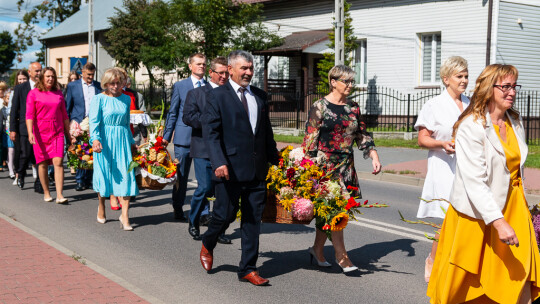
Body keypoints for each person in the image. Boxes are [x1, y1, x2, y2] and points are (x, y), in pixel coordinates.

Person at [427, 64, 540, 303]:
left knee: (518, 273)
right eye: (505, 87)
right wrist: (498, 222)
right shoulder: (471, 126)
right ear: (489, 89)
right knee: (467, 284)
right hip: (476, 215)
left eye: (514, 86)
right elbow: (474, 182)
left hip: (514, 206)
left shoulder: (513, 121)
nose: (512, 92)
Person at [200, 50, 279, 286]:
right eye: (243, 68)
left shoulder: (260, 96)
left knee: (253, 220)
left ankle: (247, 268)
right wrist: (219, 162)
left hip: (256, 169)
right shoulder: (217, 96)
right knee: (224, 215)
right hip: (229, 169)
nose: (248, 72)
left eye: (251, 68)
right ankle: (208, 242)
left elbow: (265, 132)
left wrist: (277, 159)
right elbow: (210, 133)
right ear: (231, 69)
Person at [302, 65, 381, 273]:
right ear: (333, 82)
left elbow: (361, 135)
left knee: (331, 212)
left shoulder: (353, 107)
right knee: (336, 212)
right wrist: (307, 172)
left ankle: (317, 250)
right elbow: (309, 141)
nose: (350, 85)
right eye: (346, 81)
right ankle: (342, 256)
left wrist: (373, 154)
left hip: (346, 167)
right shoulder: (319, 106)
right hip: (325, 168)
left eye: (352, 81)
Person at [414, 56, 470, 282]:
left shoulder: (472, 103)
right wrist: (441, 144)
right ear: (446, 79)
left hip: (468, 167)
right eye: (459, 76)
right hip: (444, 167)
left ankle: (458, 266)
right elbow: (422, 139)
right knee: (449, 220)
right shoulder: (433, 105)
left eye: (466, 76)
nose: (464, 80)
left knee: (467, 218)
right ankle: (433, 259)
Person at [182, 56, 230, 244]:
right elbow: (188, 117)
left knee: (222, 192)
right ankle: (193, 220)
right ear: (211, 73)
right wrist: (210, 121)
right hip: (203, 148)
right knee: (204, 188)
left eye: (227, 73)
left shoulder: (230, 93)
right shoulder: (197, 93)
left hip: (225, 150)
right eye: (221, 73)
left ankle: (218, 229)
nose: (224, 76)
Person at [89, 68, 138, 230]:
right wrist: (94, 140)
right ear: (106, 83)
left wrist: (132, 142)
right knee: (104, 175)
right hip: (104, 141)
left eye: (118, 83)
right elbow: (94, 123)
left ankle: (125, 216)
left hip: (122, 140)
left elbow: (126, 123)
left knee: (126, 175)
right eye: (112, 83)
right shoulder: (98, 99)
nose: (116, 86)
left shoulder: (125, 99)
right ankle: (101, 205)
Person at [163, 53, 207, 221]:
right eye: (198, 63)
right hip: (183, 139)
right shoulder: (181, 86)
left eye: (203, 64)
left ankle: (203, 214)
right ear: (190, 66)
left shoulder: (210, 86)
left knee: (204, 180)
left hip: (203, 140)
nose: (201, 66)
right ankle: (178, 207)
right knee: (180, 177)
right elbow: (173, 112)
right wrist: (167, 136)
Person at [25, 67, 70, 203]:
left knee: (58, 161)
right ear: (42, 77)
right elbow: (29, 115)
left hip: (57, 131)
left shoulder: (58, 93)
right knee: (43, 163)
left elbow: (64, 115)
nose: (50, 79)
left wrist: (69, 134)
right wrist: (30, 133)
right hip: (40, 132)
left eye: (52, 76)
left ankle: (60, 194)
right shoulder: (33, 93)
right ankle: (46, 192)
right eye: (48, 76)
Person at [65, 62, 102, 191]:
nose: (91, 77)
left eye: (93, 74)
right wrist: (69, 123)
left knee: (92, 151)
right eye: (88, 75)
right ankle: (80, 180)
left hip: (94, 123)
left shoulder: (98, 86)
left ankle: (91, 179)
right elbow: (67, 106)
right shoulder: (72, 86)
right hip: (78, 122)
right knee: (81, 151)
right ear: (82, 73)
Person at [10, 62, 43, 193]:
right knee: (25, 154)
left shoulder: (44, 87)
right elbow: (14, 109)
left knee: (39, 157)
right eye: (36, 71)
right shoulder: (21, 88)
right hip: (24, 127)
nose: (39, 73)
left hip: (40, 127)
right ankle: (21, 174)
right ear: (29, 72)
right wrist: (13, 129)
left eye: (40, 70)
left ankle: (38, 182)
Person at [6, 70, 29, 182]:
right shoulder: (15, 91)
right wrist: (12, 129)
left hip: (27, 123)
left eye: (24, 79)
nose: (22, 81)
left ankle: (34, 170)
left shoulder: (30, 90)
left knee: (29, 151)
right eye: (20, 79)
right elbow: (12, 110)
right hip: (17, 124)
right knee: (18, 150)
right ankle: (17, 174)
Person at [64, 70, 80, 175]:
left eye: (75, 79)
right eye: (71, 79)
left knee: (78, 143)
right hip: (69, 120)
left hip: (77, 119)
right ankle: (72, 164)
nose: (73, 81)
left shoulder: (79, 90)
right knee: (70, 143)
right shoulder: (66, 90)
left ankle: (78, 164)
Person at [125, 77, 147, 145]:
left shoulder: (136, 96)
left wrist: (144, 134)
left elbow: (142, 115)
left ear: (128, 85)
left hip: (134, 133)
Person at [0, 81, 8, 172]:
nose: (1, 92)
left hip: (5, 126)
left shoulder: (5, 100)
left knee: (5, 144)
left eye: (2, 90)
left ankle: (4, 160)